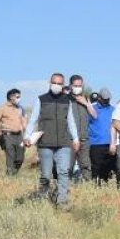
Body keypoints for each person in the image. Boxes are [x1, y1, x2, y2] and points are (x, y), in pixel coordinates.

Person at [23, 73, 81, 209]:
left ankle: (62, 202)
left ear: (63, 84)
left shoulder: (67, 101)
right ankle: (42, 199)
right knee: (46, 175)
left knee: (63, 172)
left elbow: (71, 121)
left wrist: (76, 139)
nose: (57, 85)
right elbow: (33, 119)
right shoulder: (41, 99)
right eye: (54, 83)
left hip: (63, 143)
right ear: (50, 83)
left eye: (59, 83)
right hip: (45, 143)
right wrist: (27, 136)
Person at [0, 88, 27, 176]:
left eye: (20, 97)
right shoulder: (3, 108)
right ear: (11, 97)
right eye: (17, 97)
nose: (19, 98)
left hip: (19, 136)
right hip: (8, 136)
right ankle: (10, 177)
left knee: (20, 158)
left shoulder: (20, 108)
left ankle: (12, 173)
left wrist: (26, 133)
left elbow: (24, 121)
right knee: (11, 156)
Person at [86, 87, 118, 185]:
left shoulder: (113, 110)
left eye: (108, 98)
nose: (106, 100)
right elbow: (85, 125)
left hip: (110, 144)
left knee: (109, 168)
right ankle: (95, 186)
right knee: (96, 167)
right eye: (104, 98)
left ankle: (106, 186)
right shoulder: (92, 109)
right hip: (95, 144)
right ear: (99, 97)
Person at [68, 75, 93, 183]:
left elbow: (95, 115)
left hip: (84, 139)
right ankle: (66, 187)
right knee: (68, 166)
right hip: (69, 139)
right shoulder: (65, 99)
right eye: (75, 85)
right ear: (70, 86)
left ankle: (87, 187)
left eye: (80, 85)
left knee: (86, 166)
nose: (78, 87)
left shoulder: (86, 98)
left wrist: (86, 103)